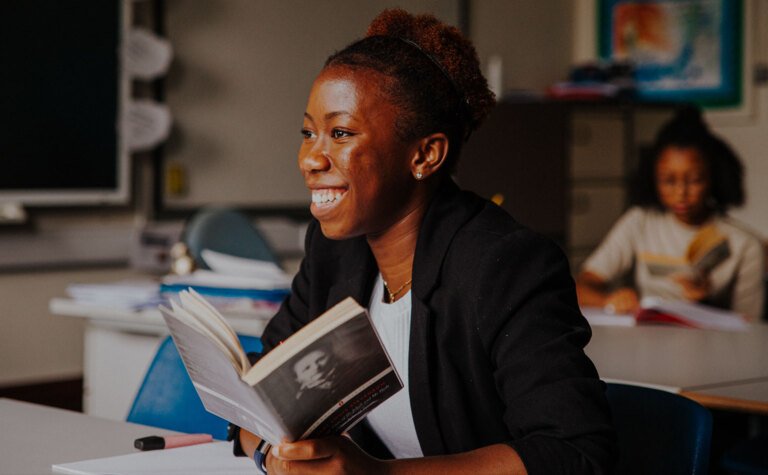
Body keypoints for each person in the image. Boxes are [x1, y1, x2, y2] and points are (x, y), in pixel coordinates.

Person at [237, 8, 616, 474]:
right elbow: (261, 388)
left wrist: (377, 474)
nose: (311, 158)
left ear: (425, 155)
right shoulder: (335, 249)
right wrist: (269, 455)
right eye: (308, 133)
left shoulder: (505, 265)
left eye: (340, 133)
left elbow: (576, 453)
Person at [576, 107, 765, 320]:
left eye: (694, 180)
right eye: (668, 181)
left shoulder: (745, 245)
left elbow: (750, 327)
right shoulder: (640, 222)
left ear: (714, 178)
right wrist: (609, 300)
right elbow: (581, 287)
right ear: (653, 178)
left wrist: (705, 302)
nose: (680, 193)